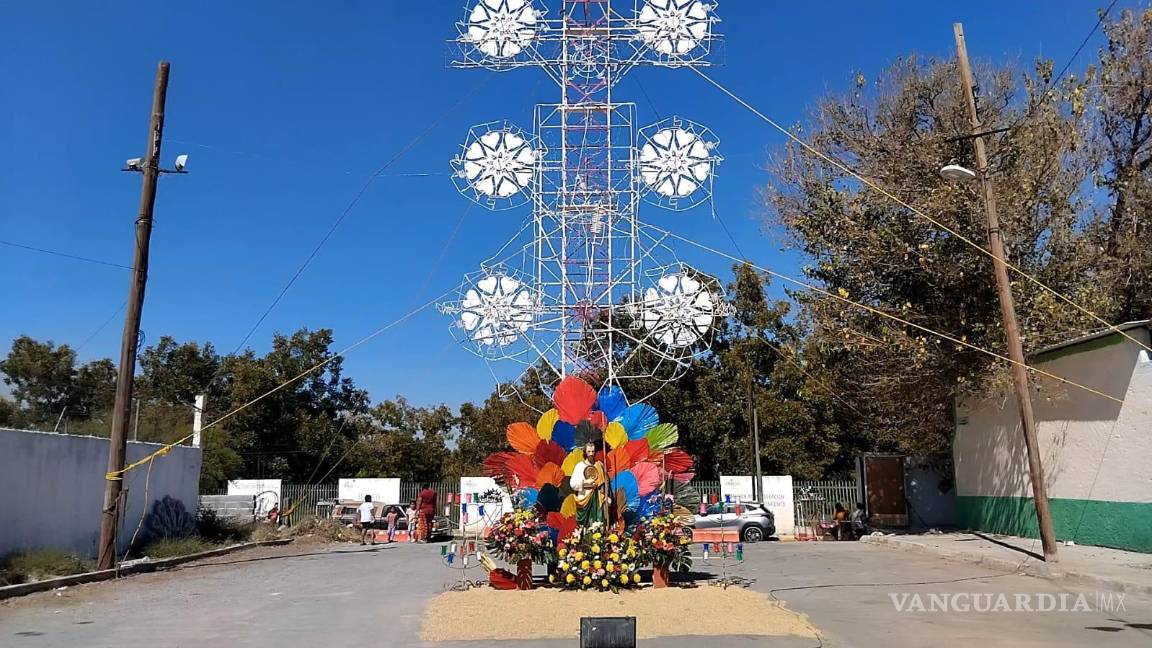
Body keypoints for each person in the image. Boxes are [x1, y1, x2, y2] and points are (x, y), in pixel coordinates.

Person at [570, 439, 608, 528]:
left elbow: (605, 483)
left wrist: (606, 496)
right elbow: (573, 484)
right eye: (589, 451)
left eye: (593, 451)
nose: (591, 453)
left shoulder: (599, 465)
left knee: (598, 523)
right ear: (585, 452)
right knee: (584, 526)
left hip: (598, 499)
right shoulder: (580, 466)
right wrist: (584, 482)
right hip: (585, 499)